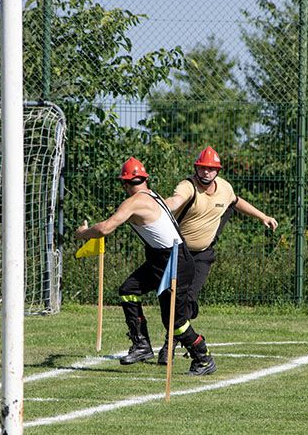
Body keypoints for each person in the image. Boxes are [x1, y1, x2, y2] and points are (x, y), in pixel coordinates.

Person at [73, 156, 216, 376]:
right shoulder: (152, 195)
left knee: (175, 322)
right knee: (129, 290)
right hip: (162, 259)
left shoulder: (134, 202)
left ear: (125, 183)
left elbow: (104, 229)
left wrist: (83, 233)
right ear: (144, 180)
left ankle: (203, 358)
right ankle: (141, 344)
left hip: (175, 261)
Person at [159, 146, 278, 364]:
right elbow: (176, 200)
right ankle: (174, 339)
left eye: (211, 169)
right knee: (173, 298)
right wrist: (160, 206)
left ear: (218, 171)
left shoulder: (225, 188)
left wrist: (263, 216)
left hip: (203, 254)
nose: (206, 172)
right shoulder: (187, 186)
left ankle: (173, 339)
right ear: (196, 168)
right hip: (179, 253)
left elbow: (236, 201)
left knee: (188, 299)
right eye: (202, 168)